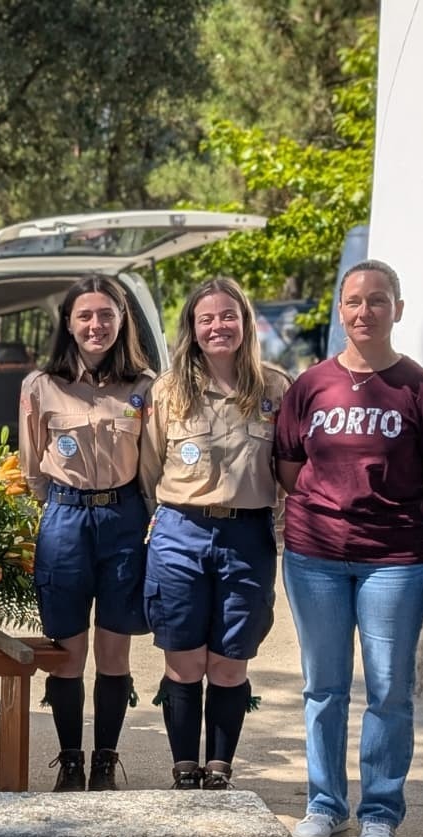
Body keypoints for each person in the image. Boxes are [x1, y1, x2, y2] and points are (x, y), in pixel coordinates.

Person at [274, 260, 423, 837]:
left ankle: (379, 812)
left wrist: (384, 513)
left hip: (394, 558)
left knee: (389, 689)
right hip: (314, 555)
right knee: (323, 686)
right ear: (341, 310)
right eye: (353, 301)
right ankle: (324, 804)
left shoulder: (420, 388)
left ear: (397, 308)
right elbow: (290, 470)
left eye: (378, 300)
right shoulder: (310, 385)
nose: (364, 311)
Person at [138, 276, 289, 790]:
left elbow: (287, 467)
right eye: (207, 319)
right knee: (184, 662)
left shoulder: (275, 389)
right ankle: (184, 770)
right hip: (181, 532)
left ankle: (220, 771)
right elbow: (148, 468)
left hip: (247, 538)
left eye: (228, 316)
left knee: (229, 663)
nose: (218, 326)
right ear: (192, 328)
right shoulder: (167, 391)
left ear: (245, 322)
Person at [18, 275, 152, 792]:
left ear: (121, 321)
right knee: (68, 652)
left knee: (114, 652)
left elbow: (151, 463)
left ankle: (104, 763)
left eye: (106, 315)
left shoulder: (145, 386)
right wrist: (56, 510)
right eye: (86, 316)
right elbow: (32, 468)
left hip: (123, 521)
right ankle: (71, 762)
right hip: (66, 520)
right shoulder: (40, 386)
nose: (96, 325)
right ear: (69, 324)